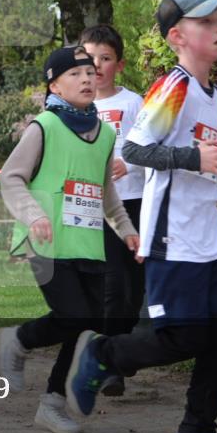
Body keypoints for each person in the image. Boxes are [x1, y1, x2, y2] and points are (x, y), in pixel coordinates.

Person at [65, 0, 217, 433]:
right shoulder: (173, 87)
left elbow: (205, 163)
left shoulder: (214, 97)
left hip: (211, 237)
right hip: (172, 235)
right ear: (179, 36)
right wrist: (191, 156)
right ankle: (103, 353)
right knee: (181, 338)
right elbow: (138, 150)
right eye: (207, 22)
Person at [0, 46, 139, 433]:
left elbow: (105, 189)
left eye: (90, 72)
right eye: (75, 74)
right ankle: (19, 340)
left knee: (86, 325)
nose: (87, 79)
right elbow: (11, 176)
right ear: (54, 84)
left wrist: (126, 229)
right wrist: (33, 215)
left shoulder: (106, 133)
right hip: (44, 240)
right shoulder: (43, 126)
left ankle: (52, 404)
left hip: (88, 241)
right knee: (73, 315)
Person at [78, 24, 146, 396]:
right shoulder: (74, 107)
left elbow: (152, 148)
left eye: (105, 59)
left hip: (132, 203)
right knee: (109, 285)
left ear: (118, 65)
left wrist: (128, 165)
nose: (97, 67)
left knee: (132, 287)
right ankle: (108, 365)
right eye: (90, 60)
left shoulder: (134, 104)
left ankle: (119, 349)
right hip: (90, 206)